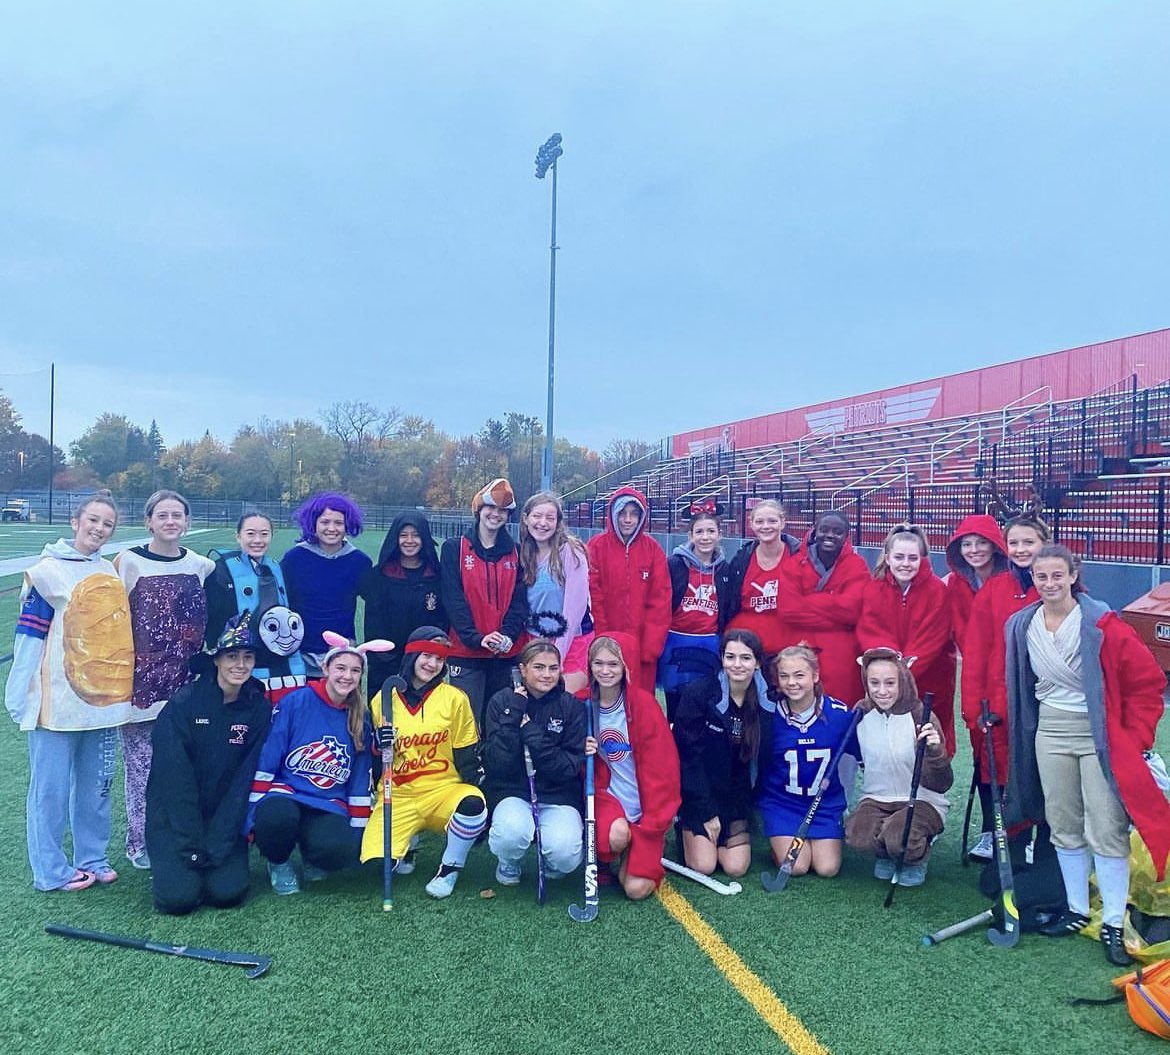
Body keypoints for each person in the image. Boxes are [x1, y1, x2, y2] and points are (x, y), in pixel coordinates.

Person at [1005, 544, 1170, 966]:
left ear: (1073, 574)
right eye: (1041, 577)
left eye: (1057, 575)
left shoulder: (1103, 623)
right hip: (1050, 729)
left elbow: (1147, 681)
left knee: (1107, 824)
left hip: (1099, 733)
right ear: (1033, 579)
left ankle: (1114, 919)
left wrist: (1133, 738)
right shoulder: (1022, 624)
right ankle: (1077, 909)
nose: (1049, 583)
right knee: (1062, 820)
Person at [5, 490, 133, 891]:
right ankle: (50, 870)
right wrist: (19, 692)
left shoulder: (110, 573)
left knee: (97, 786)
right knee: (51, 790)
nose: (98, 528)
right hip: (57, 703)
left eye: (107, 524)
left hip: (103, 704)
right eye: (92, 520)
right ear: (75, 522)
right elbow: (30, 636)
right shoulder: (46, 571)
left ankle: (91, 856)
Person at [113, 489, 215, 871]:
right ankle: (139, 841)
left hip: (188, 687)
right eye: (163, 515)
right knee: (142, 767)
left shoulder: (201, 566)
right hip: (141, 687)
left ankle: (186, 834)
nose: (170, 521)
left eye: (177, 515)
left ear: (187, 522)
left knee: (190, 765)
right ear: (149, 521)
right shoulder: (128, 563)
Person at [146, 612, 271, 914]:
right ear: (215, 659)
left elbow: (244, 782)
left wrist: (218, 843)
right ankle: (180, 867)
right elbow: (174, 780)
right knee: (178, 900)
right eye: (231, 656)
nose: (240, 665)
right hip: (174, 818)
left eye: (248, 657)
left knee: (228, 893)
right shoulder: (184, 703)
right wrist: (191, 845)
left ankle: (210, 864)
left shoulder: (258, 708)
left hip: (223, 819)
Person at [246, 634, 389, 894]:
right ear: (325, 668)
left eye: (355, 671)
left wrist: (356, 835)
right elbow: (270, 756)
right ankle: (278, 861)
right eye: (341, 668)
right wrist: (253, 810)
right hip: (286, 794)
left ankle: (314, 855)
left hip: (327, 800)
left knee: (339, 850)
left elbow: (359, 778)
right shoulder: (295, 702)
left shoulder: (361, 717)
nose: (347, 676)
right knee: (276, 818)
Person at [360, 626, 488, 899]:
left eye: (440, 659)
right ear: (411, 655)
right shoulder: (382, 699)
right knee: (375, 870)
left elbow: (466, 753)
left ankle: (450, 868)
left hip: (443, 789)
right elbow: (375, 758)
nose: (432, 664)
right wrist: (380, 745)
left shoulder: (455, 698)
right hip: (399, 794)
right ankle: (408, 844)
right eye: (427, 656)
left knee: (473, 805)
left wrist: (475, 798)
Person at [960, 513, 1051, 859]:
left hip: (1041, 699)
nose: (1021, 549)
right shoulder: (994, 589)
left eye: (1029, 542)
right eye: (1014, 542)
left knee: (1037, 769)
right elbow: (976, 652)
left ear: (1043, 543)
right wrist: (973, 708)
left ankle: (1034, 838)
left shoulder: (1054, 584)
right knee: (993, 767)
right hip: (997, 702)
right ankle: (995, 833)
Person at [483, 639, 586, 887]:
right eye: (539, 667)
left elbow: (567, 768)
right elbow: (497, 763)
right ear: (523, 669)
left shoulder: (571, 707)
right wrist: (514, 714)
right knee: (510, 834)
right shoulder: (501, 701)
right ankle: (509, 860)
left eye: (553, 668)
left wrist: (529, 731)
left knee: (565, 856)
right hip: (513, 791)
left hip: (557, 794)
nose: (547, 675)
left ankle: (551, 859)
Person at [846, 648, 952, 886]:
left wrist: (934, 752)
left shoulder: (921, 716)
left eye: (890, 683)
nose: (882, 691)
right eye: (874, 682)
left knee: (900, 835)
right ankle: (886, 851)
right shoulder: (861, 714)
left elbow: (942, 782)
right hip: (877, 797)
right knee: (857, 833)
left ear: (903, 680)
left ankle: (916, 855)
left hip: (922, 799)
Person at [673, 628, 774, 877]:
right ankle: (684, 827)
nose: (737, 665)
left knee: (735, 868)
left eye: (745, 658)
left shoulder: (767, 700)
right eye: (730, 657)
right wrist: (706, 811)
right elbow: (688, 759)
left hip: (735, 797)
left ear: (758, 663)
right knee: (704, 866)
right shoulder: (699, 694)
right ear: (721, 659)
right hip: (700, 792)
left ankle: (718, 837)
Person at [586, 633, 680, 899]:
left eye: (614, 664)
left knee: (636, 890)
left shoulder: (645, 706)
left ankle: (634, 852)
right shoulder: (581, 704)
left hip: (642, 807)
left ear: (626, 666)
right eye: (598, 663)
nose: (605, 671)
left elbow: (664, 770)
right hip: (608, 801)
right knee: (615, 835)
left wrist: (656, 820)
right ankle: (608, 854)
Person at [756, 643, 855, 878]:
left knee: (827, 869)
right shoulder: (769, 715)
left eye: (799, 675)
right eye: (784, 676)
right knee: (797, 867)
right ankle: (777, 841)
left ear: (815, 675)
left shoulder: (839, 715)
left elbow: (864, 754)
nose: (792, 682)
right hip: (782, 803)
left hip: (824, 804)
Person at [856, 524, 955, 755]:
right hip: (886, 680)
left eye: (912, 558)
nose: (905, 564)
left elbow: (932, 637)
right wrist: (890, 671)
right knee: (889, 746)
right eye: (899, 557)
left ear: (922, 559)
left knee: (929, 743)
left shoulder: (937, 590)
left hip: (930, 677)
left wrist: (902, 672)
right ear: (888, 558)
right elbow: (871, 630)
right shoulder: (873, 588)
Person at [944, 513, 1010, 860]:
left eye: (981, 542)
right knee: (985, 755)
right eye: (966, 544)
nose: (974, 550)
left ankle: (1017, 831)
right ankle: (989, 829)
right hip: (975, 678)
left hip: (1008, 675)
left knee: (1015, 757)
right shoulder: (956, 584)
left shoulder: (1013, 580)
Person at [440, 478, 528, 727]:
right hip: (465, 652)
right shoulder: (453, 549)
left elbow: (519, 603)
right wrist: (476, 638)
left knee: (501, 725)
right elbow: (453, 599)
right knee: (465, 725)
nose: (496, 514)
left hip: (505, 654)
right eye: (491, 507)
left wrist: (508, 636)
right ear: (479, 509)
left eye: (503, 510)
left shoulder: (517, 552)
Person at [204, 510, 308, 703]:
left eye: (264, 534)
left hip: (276, 660)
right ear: (238, 536)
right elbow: (212, 618)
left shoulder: (277, 568)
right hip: (238, 662)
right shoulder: (219, 570)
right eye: (250, 534)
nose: (257, 540)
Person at [775, 509, 869, 704]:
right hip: (800, 646)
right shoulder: (793, 564)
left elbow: (852, 611)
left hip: (842, 656)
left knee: (842, 711)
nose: (830, 535)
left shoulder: (857, 565)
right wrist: (835, 609)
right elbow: (788, 611)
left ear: (846, 536)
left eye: (837, 531)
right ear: (814, 530)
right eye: (824, 529)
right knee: (800, 706)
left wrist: (810, 600)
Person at [586, 487, 671, 696]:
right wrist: (602, 640)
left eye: (634, 514)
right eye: (622, 513)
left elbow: (660, 602)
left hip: (641, 650)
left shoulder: (653, 550)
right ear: (612, 515)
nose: (627, 520)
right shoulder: (596, 547)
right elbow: (592, 597)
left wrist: (649, 649)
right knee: (603, 701)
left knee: (639, 702)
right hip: (603, 647)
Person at [280, 492, 372, 676]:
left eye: (338, 523)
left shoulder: (360, 562)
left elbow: (377, 601)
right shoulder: (294, 558)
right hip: (299, 654)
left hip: (340, 654)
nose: (332, 528)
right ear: (313, 523)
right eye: (325, 522)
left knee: (341, 705)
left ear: (347, 525)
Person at [659, 502, 733, 723]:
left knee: (705, 701)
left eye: (711, 531)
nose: (705, 537)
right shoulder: (674, 564)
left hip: (709, 643)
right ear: (690, 534)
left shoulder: (725, 570)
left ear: (720, 534)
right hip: (676, 641)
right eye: (699, 531)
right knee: (676, 701)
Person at [360, 511, 446, 696]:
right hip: (386, 663)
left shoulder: (436, 577)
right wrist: (385, 658)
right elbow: (373, 623)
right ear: (395, 539)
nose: (409, 541)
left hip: (424, 663)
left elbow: (442, 621)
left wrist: (428, 654)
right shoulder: (380, 576)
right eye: (403, 535)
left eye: (416, 535)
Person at [517, 491, 592, 695]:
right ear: (525, 518)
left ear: (558, 522)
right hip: (533, 642)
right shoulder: (523, 553)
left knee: (560, 704)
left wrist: (554, 656)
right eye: (537, 516)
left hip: (570, 643)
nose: (543, 523)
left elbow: (574, 612)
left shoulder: (571, 552)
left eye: (550, 518)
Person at [723, 499, 801, 677]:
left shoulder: (799, 557)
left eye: (772, 521)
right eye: (759, 521)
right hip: (745, 651)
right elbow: (730, 603)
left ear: (782, 522)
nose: (766, 526)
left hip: (786, 650)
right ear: (751, 523)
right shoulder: (742, 558)